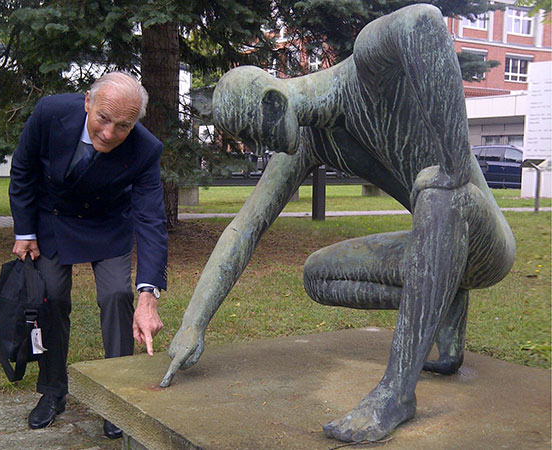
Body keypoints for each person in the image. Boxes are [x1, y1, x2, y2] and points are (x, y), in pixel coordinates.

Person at [161, 4, 515, 444]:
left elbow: (423, 21)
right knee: (318, 275)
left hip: (484, 241)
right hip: (434, 245)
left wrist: (455, 165)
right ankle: (443, 307)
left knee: (439, 194)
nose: (256, 147)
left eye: (256, 136)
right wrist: (194, 322)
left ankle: (395, 394)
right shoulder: (306, 137)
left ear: (274, 103)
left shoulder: (367, 64)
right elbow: (244, 228)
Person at [9, 71, 168, 439]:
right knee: (51, 296)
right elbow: (23, 169)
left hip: (107, 223)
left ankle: (116, 395)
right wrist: (24, 230)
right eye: (103, 119)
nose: (110, 133)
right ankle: (52, 390)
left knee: (116, 295)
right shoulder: (50, 112)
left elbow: (150, 219)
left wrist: (149, 293)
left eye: (124, 125)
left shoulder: (146, 149)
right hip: (54, 218)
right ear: (87, 102)